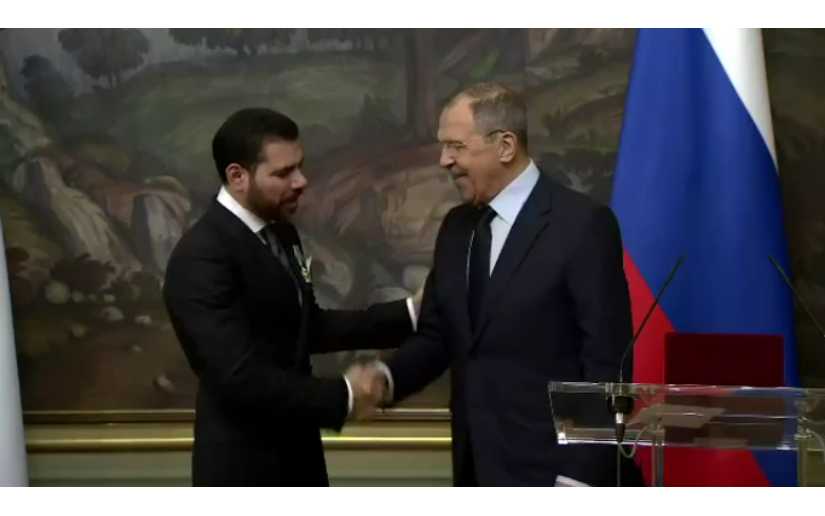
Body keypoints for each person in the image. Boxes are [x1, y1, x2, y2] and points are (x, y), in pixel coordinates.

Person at [361, 82, 641, 486]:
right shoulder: (457, 228)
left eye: (456, 146)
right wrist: (386, 379)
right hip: (477, 470)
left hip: (556, 475)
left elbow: (606, 362)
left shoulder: (581, 225)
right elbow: (439, 336)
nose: (444, 160)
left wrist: (578, 476)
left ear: (505, 146)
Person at [163, 108, 417, 486]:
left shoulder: (281, 232)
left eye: (299, 167)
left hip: (299, 454)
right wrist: (344, 396)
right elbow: (238, 377)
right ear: (237, 176)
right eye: (283, 173)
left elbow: (307, 326)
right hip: (244, 468)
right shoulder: (201, 256)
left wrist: (411, 312)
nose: (301, 181)